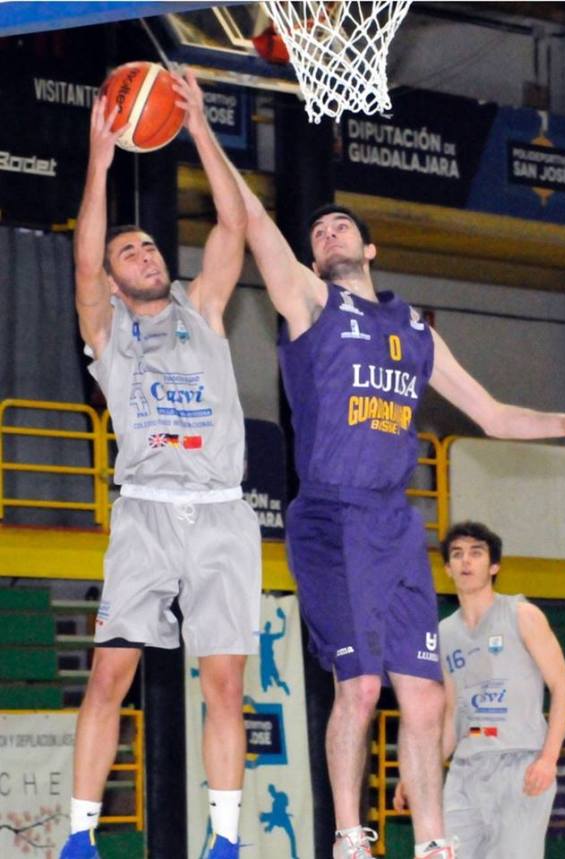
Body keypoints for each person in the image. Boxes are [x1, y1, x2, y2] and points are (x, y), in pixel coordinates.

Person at [227, 169, 565, 859]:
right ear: (313, 260)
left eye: (340, 227)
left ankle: (431, 843)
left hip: (394, 522)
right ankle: (348, 836)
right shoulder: (311, 302)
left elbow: (487, 412)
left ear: (370, 249)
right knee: (360, 685)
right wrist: (204, 130)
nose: (327, 233)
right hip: (334, 516)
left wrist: (558, 421)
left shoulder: (413, 329)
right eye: (317, 232)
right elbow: (251, 218)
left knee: (424, 701)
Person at [59, 71, 261, 859]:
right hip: (144, 509)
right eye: (126, 250)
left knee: (223, 684)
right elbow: (82, 262)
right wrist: (101, 164)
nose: (140, 253)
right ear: (112, 280)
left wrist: (203, 129)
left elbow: (233, 224)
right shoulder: (105, 328)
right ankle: (80, 840)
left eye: (145, 244)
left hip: (219, 511)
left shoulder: (202, 308)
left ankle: (227, 841)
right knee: (110, 676)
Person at [395, 521, 565, 859]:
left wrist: (548, 759)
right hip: (465, 772)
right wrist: (422, 772)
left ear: (494, 566)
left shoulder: (522, 615)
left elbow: (563, 687)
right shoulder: (444, 634)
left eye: (476, 554)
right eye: (458, 555)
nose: (466, 561)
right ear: (447, 568)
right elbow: (451, 715)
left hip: (520, 765)